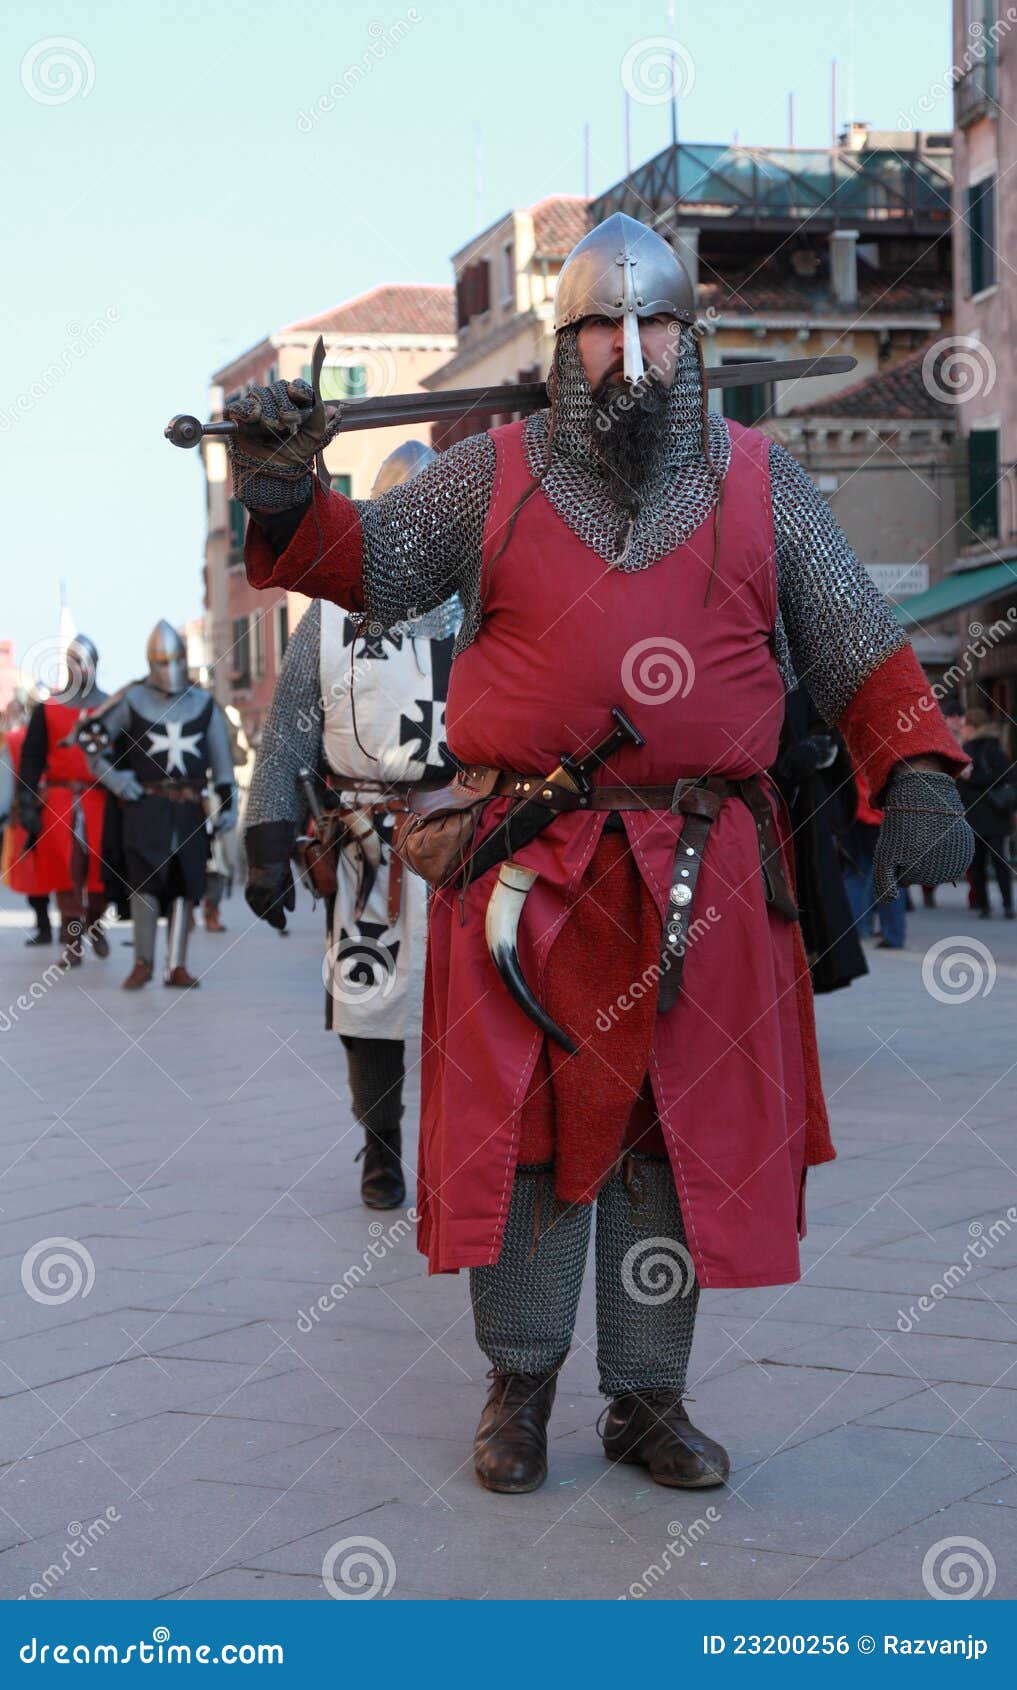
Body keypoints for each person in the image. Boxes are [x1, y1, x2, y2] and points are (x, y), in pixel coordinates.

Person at [225, 214, 972, 1495]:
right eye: (601, 327)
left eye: (653, 323)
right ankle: (518, 1391)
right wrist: (285, 488)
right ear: (564, 346)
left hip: (705, 876)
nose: (630, 350)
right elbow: (370, 566)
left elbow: (857, 638)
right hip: (533, 865)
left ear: (694, 340)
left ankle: (647, 1402)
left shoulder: (760, 479)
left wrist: (910, 765)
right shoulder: (493, 475)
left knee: (665, 1146)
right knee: (525, 1139)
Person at [244, 440, 460, 1209]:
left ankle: (463, 1153)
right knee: (368, 1003)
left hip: (476, 838)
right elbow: (286, 740)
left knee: (473, 1008)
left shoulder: (493, 607)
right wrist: (267, 848)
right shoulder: (328, 622)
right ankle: (381, 1149)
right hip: (369, 848)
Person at [81, 621, 236, 986]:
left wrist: (228, 804)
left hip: (189, 806)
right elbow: (91, 740)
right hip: (146, 807)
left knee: (186, 883)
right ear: (152, 662)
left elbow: (222, 760)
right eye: (163, 661)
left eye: (175, 659)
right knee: (144, 881)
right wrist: (117, 780)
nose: (170, 668)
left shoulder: (203, 704)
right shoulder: (132, 700)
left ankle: (176, 965)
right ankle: (143, 962)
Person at [16, 635, 110, 967]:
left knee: (100, 873)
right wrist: (26, 800)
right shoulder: (49, 708)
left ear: (95, 665)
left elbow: (126, 756)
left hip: (100, 798)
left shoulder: (112, 707)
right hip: (58, 800)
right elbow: (31, 757)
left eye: (84, 662)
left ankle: (95, 922)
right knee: (66, 875)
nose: (79, 668)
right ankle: (73, 942)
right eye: (73, 662)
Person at [773, 687, 867, 992]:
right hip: (754, 815)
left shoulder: (806, 671)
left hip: (806, 817)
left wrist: (821, 751)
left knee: (806, 921)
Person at [841, 767, 908, 949]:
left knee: (855, 875)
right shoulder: (894, 748)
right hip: (891, 817)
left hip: (861, 818)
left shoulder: (856, 746)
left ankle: (853, 932)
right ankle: (894, 934)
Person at [959, 706, 1016, 919]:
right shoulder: (996, 747)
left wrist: (970, 779)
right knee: (1000, 861)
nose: (962, 730)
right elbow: (1007, 776)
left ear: (974, 727)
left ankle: (984, 905)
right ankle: (1007, 904)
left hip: (978, 813)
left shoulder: (972, 749)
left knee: (979, 863)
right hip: (996, 814)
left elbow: (972, 782)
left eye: (965, 726)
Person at [1, 724, 54, 946]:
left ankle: (45, 926)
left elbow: (4, 783)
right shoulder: (60, 733)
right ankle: (73, 929)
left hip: (26, 813)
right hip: (61, 807)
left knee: (34, 871)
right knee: (65, 870)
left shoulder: (11, 742)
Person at [203, 706, 254, 933]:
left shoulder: (223, 716)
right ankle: (189, 910)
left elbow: (239, 756)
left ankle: (211, 909)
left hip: (221, 792)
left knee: (221, 858)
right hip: (196, 794)